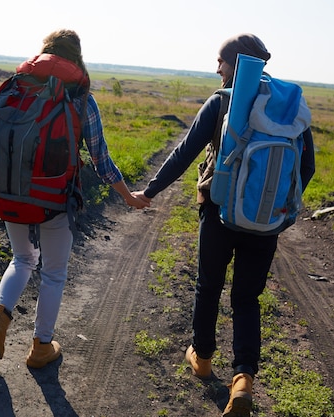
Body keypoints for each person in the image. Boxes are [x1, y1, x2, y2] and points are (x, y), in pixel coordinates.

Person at [135, 34, 315, 416]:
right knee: (247, 299)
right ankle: (244, 379)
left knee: (208, 285)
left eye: (221, 61)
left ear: (236, 63)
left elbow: (185, 152)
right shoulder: (289, 108)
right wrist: (275, 209)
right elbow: (307, 167)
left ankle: (201, 358)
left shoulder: (222, 101)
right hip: (266, 223)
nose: (216, 68)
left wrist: (150, 191)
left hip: (218, 212)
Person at [0, 29, 149, 369]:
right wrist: (128, 196)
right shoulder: (80, 98)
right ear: (76, 58)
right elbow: (100, 159)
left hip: (9, 193)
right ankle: (42, 347)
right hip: (54, 200)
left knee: (22, 259)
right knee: (54, 273)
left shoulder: (16, 87)